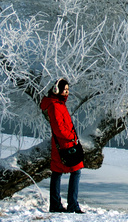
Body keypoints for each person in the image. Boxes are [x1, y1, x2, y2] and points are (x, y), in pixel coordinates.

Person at [40, 78, 84, 213]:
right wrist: (72, 137)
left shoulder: (58, 104)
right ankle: (71, 205)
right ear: (56, 90)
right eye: (64, 90)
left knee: (57, 173)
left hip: (63, 145)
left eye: (67, 90)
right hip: (64, 145)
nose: (67, 93)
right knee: (75, 171)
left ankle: (57, 204)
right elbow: (59, 128)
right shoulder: (55, 105)